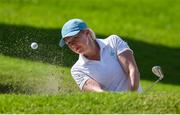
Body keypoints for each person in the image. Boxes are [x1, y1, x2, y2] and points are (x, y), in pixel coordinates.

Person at [59, 18, 142, 92]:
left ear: (87, 33)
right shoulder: (77, 70)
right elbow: (99, 93)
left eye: (75, 38)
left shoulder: (113, 41)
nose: (73, 44)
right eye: (69, 43)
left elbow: (132, 69)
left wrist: (131, 96)